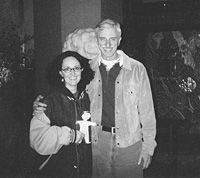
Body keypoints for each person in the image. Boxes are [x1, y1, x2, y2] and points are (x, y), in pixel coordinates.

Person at [33, 19, 157, 178]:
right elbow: (66, 92)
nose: (107, 44)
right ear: (97, 40)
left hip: (130, 144)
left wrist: (148, 148)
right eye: (103, 39)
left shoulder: (137, 69)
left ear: (119, 40)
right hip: (97, 144)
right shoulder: (87, 70)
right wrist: (42, 102)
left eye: (112, 39)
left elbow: (147, 112)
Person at [30, 51, 95, 178]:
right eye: (67, 69)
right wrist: (69, 135)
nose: (72, 73)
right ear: (60, 73)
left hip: (85, 169)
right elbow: (37, 140)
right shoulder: (49, 100)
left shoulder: (87, 97)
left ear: (82, 70)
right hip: (59, 170)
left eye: (76, 68)